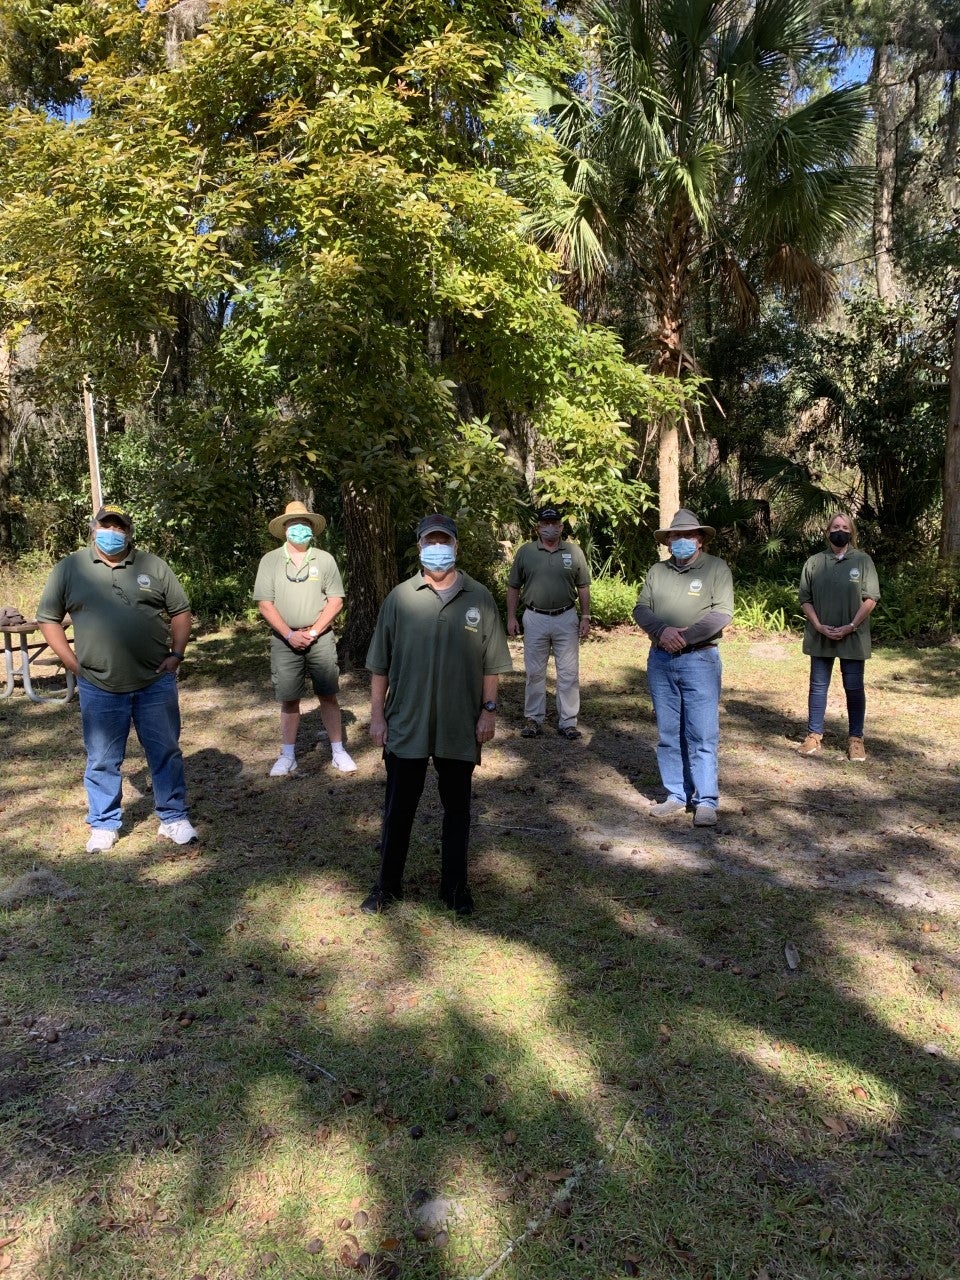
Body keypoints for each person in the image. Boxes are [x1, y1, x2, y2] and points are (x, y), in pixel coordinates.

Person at [360, 514, 513, 916]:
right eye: (430, 542)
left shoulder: (479, 598)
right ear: (420, 547)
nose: (438, 549)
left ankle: (455, 888)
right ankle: (386, 887)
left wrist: (489, 712)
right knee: (398, 809)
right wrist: (377, 716)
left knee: (458, 810)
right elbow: (379, 665)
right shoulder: (400, 598)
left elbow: (491, 663)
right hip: (406, 723)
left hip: (459, 724)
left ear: (457, 547)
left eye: (445, 541)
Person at [36, 504, 198, 853]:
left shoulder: (152, 565)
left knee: (165, 751)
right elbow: (48, 618)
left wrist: (176, 655)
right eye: (105, 526)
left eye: (119, 527)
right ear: (94, 528)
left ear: (128, 531)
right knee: (102, 758)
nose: (112, 533)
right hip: (100, 685)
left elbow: (181, 612)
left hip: (155, 681)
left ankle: (173, 818)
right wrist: (72, 664)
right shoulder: (70, 567)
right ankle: (104, 824)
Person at [633, 509, 734, 828]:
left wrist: (685, 637)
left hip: (700, 660)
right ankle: (676, 795)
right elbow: (641, 608)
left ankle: (706, 800)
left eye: (687, 535)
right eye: (675, 536)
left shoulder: (716, 568)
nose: (680, 541)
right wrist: (663, 632)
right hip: (660, 661)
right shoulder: (657, 571)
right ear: (667, 542)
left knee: (702, 733)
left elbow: (722, 613)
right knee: (668, 732)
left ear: (700, 539)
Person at [253, 501, 356, 776]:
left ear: (312, 529)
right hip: (283, 639)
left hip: (320, 636)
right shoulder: (270, 561)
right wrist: (289, 634)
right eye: (293, 524)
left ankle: (338, 751)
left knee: (328, 694)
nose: (299, 528)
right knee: (288, 699)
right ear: (284, 529)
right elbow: (265, 603)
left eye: (305, 524)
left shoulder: (325, 560)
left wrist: (312, 632)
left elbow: (336, 601)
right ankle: (287, 755)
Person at [797, 512, 880, 761]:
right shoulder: (814, 562)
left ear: (851, 532)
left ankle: (856, 739)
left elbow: (871, 598)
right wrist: (819, 626)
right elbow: (805, 599)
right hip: (821, 635)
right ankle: (814, 734)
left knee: (853, 687)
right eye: (835, 526)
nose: (840, 530)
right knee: (818, 686)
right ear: (827, 531)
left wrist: (851, 626)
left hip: (852, 635)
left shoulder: (863, 561)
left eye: (844, 526)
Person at [506, 506, 591, 739]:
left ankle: (568, 722)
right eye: (546, 523)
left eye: (555, 523)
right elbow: (514, 586)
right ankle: (533, 719)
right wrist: (511, 616)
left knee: (568, 672)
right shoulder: (526, 552)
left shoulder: (574, 552)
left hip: (566, 617)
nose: (550, 527)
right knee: (534, 672)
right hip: (535, 618)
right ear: (538, 527)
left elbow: (583, 586)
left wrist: (585, 616)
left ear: (562, 527)